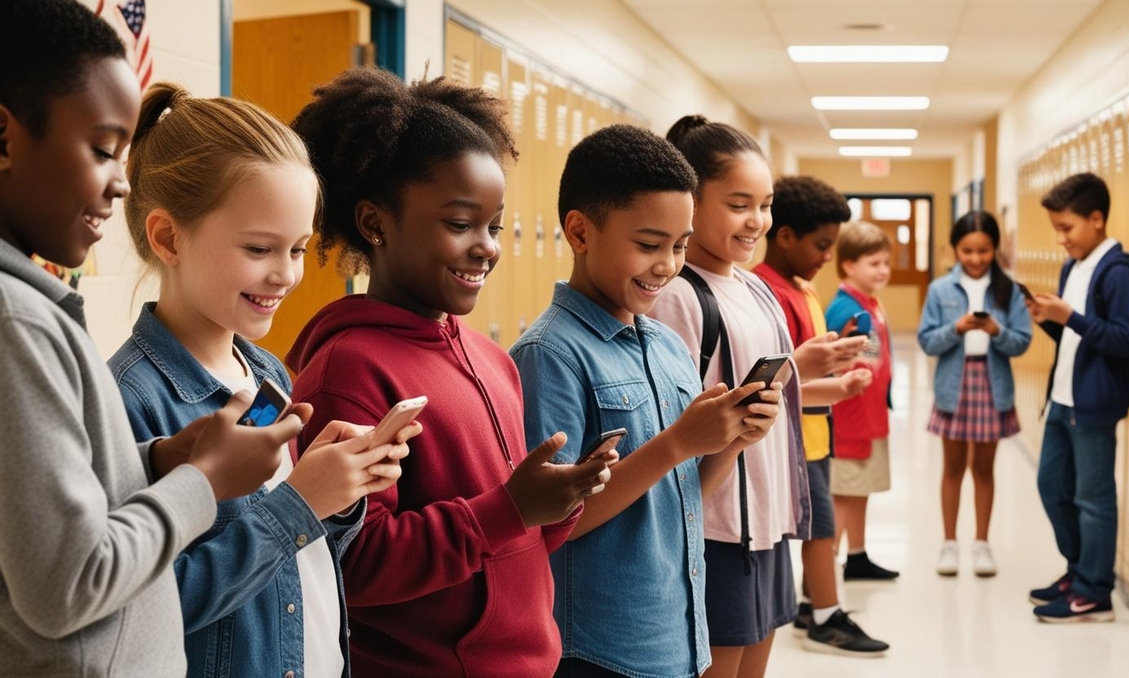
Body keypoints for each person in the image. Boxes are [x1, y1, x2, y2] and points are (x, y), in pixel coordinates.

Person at [0, 1, 307, 673]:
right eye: (104, 151)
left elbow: (58, 507)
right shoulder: (18, 322)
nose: (119, 183)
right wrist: (204, 479)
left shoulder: (33, 311)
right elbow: (66, 585)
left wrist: (160, 460)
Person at [287, 68, 614, 677]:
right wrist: (509, 509)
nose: (487, 245)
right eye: (460, 224)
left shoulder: (492, 359)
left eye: (493, 225)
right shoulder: (349, 370)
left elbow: (508, 542)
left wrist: (556, 501)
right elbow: (353, 565)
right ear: (374, 224)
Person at [109, 83, 415, 678]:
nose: (285, 274)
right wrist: (300, 504)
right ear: (168, 238)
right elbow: (147, 609)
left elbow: (292, 562)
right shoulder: (127, 401)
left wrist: (338, 491)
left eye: (298, 249)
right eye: (259, 248)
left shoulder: (268, 371)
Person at [511, 124, 785, 678]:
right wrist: (678, 442)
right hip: (596, 647)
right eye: (648, 244)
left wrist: (728, 443)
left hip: (679, 632)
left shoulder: (664, 345)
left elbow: (681, 497)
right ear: (580, 232)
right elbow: (550, 523)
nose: (667, 264)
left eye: (680, 246)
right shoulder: (550, 355)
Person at [651, 114, 834, 678]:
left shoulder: (751, 284)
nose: (757, 221)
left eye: (766, 203)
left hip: (767, 519)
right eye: (738, 204)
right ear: (690, 202)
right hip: (718, 528)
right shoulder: (679, 297)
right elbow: (672, 425)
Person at [754, 175, 888, 656]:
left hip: (815, 432)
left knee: (821, 524)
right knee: (822, 527)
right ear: (784, 235)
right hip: (794, 438)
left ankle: (815, 604)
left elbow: (806, 361)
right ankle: (827, 619)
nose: (827, 256)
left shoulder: (803, 288)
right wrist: (839, 385)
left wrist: (837, 364)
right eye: (821, 245)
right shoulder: (766, 293)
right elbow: (780, 379)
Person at [1026, 172, 1129, 622]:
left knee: (1093, 498)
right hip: (1064, 397)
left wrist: (1070, 316)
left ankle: (1095, 591)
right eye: (1056, 228)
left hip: (1094, 403)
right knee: (1052, 486)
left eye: (1066, 228)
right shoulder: (1072, 267)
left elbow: (1125, 340)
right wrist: (1049, 319)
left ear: (1097, 220)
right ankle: (1078, 571)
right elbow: (1076, 338)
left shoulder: (1119, 272)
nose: (1060, 238)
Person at [918, 210, 1032, 578]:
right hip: (955, 383)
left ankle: (982, 544)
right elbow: (927, 341)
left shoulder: (1009, 289)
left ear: (995, 249)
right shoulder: (940, 289)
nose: (976, 258)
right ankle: (949, 543)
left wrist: (997, 330)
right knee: (952, 468)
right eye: (967, 250)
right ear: (955, 249)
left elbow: (1022, 343)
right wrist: (958, 327)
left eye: (983, 250)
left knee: (983, 469)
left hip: (992, 383)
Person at [825, 221, 899, 581]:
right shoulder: (846, 310)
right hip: (849, 417)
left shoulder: (869, 302)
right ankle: (819, 580)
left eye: (886, 262)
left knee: (859, 490)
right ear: (849, 265)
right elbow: (831, 365)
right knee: (843, 493)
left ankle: (856, 555)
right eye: (874, 263)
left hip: (869, 414)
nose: (883, 270)